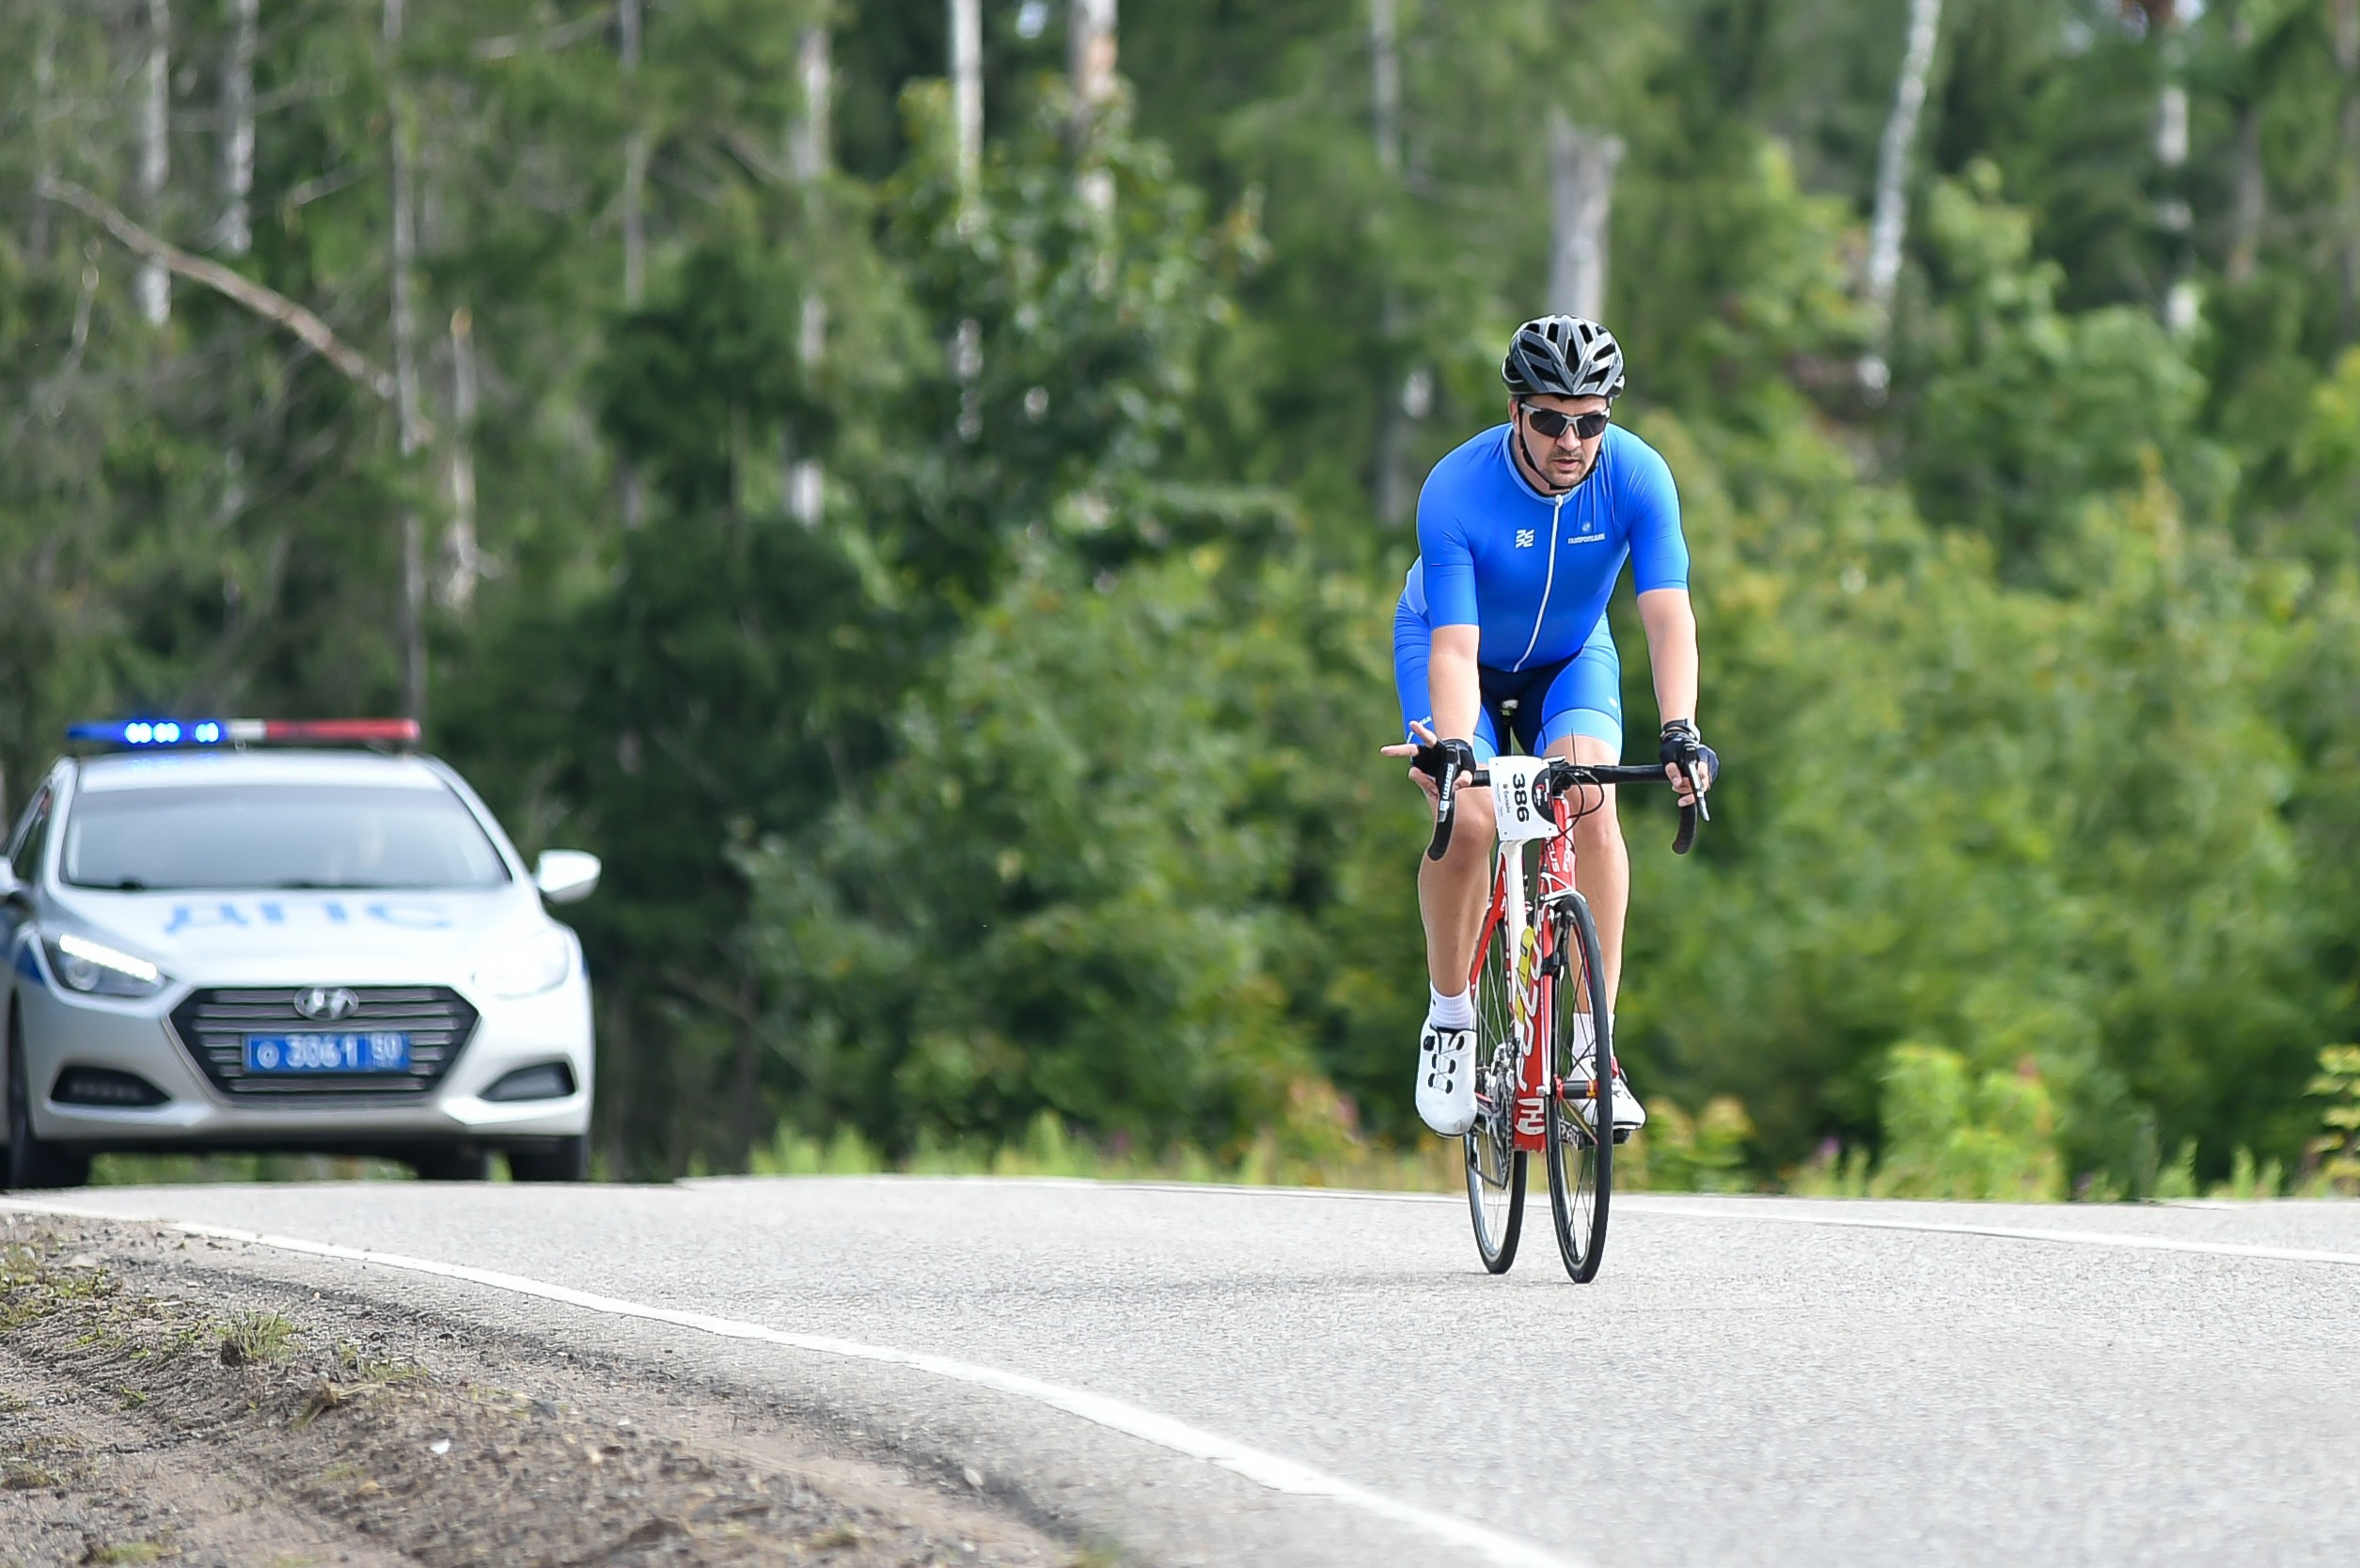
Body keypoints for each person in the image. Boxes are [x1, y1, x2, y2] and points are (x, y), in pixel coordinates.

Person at [1380, 315, 1713, 1138]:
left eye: (1591, 420)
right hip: (1457, 651)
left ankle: (1590, 1053)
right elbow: (1457, 648)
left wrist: (1681, 730)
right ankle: (1451, 1017)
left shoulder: (1638, 476)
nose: (1572, 439)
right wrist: (1453, 752)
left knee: (1591, 802)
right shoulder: (1456, 488)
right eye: (1551, 419)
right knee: (1472, 821)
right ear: (1514, 412)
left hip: (1571, 656)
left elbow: (1669, 616)